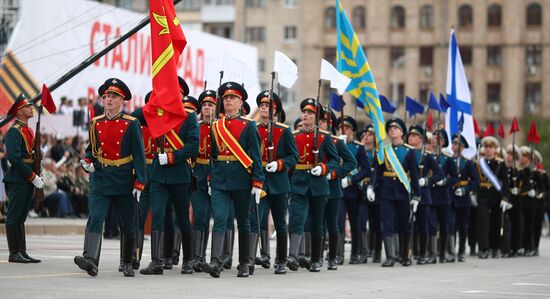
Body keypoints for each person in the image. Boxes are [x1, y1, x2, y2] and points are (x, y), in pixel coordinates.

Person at [74, 78, 146, 277]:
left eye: (113, 96)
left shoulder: (131, 123)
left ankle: (127, 261)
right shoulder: (95, 123)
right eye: (106, 96)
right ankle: (90, 259)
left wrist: (140, 182)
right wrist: (87, 162)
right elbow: (92, 151)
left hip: (124, 179)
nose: (108, 99)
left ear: (122, 100)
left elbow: (139, 154)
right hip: (101, 178)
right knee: (95, 218)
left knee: (127, 224)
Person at [201, 82, 264, 278]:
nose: (228, 101)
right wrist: (211, 178)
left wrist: (257, 181)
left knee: (243, 222)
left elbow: (255, 156)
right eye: (226, 98)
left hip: (242, 179)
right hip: (220, 180)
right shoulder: (216, 126)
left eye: (233, 98)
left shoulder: (249, 125)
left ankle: (244, 262)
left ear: (240, 102)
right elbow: (212, 155)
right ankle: (216, 262)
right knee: (219, 219)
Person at [140, 78, 199, 275]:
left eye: (178, 93)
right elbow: (133, 117)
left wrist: (173, 157)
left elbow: (193, 145)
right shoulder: (157, 113)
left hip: (179, 174)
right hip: (158, 174)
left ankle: (188, 259)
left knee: (182, 218)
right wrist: (153, 102)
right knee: (157, 215)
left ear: (181, 96)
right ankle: (157, 260)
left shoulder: (189, 117)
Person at [287, 98, 339, 273]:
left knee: (317, 223)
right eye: (304, 112)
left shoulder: (324, 137)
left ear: (317, 118)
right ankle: (293, 255)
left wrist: (323, 168)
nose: (305, 115)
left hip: (318, 184)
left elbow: (334, 160)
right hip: (299, 183)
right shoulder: (294, 136)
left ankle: (316, 259)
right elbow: (289, 159)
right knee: (297, 220)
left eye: (309, 113)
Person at [250, 90, 298, 274]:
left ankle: (281, 259)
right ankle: (250, 258)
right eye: (261, 105)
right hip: (258, 181)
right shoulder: (252, 128)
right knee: (255, 220)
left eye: (267, 105)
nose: (263, 108)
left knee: (280, 222)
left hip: (278, 182)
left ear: (275, 110)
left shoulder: (284, 130)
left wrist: (279, 164)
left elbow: (294, 156)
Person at [367, 117, 420, 267]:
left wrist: (416, 195)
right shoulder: (384, 151)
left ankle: (405, 256)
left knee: (404, 225)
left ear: (402, 132)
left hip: (403, 192)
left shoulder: (409, 152)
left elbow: (414, 176)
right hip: (386, 192)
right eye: (390, 128)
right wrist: (371, 186)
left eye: (396, 128)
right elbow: (377, 171)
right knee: (387, 224)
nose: (392, 130)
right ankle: (390, 256)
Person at [3, 94, 45, 263]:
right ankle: (14, 252)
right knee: (14, 215)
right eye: (28, 106)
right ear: (20, 111)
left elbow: (29, 154)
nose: (31, 107)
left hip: (27, 178)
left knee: (21, 216)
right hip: (19, 178)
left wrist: (37, 156)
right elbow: (13, 158)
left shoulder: (27, 129)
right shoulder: (14, 131)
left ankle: (22, 251)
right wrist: (31, 175)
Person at [191, 90, 217, 272]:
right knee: (200, 216)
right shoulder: (195, 126)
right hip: (199, 172)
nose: (207, 108)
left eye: (211, 105)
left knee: (223, 219)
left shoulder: (221, 127)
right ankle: (198, 257)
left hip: (218, 173)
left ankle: (222, 255)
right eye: (205, 105)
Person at [427, 129, 457, 263]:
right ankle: (432, 254)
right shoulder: (427, 156)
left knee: (444, 225)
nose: (435, 141)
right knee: (431, 225)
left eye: (439, 139)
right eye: (434, 138)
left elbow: (455, 177)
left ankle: (443, 253)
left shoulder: (448, 159)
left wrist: (445, 181)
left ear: (443, 142)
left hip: (444, 196)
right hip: (431, 195)